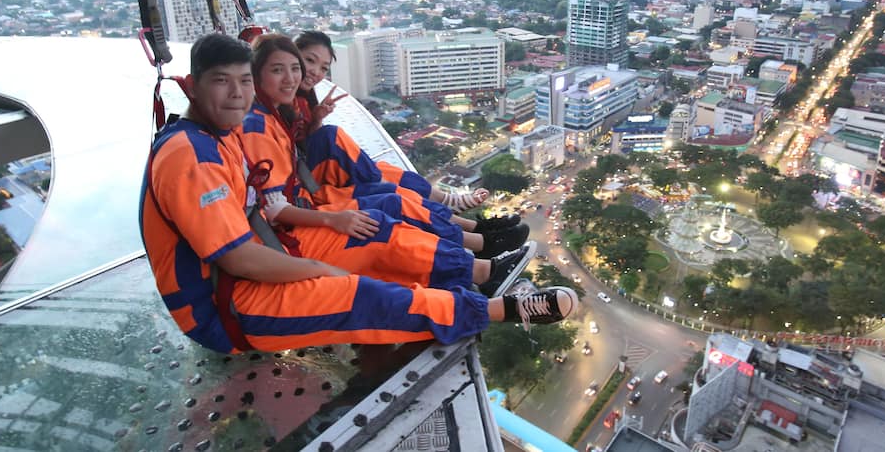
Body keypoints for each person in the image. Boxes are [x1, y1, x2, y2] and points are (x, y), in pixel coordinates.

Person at [140, 33, 578, 354]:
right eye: (222, 81)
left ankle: (479, 270)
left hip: (265, 255)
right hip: (229, 308)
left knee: (380, 228)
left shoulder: (218, 133)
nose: (237, 94)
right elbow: (237, 257)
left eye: (243, 81)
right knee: (361, 295)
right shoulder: (192, 156)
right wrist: (317, 269)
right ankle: (496, 310)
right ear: (190, 85)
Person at [237, 33, 526, 292]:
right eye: (279, 69)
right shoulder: (259, 125)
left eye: (297, 68)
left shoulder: (275, 111)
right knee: (385, 203)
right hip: (297, 218)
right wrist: (332, 217)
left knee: (389, 186)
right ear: (257, 74)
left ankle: (477, 240)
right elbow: (274, 209)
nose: (293, 77)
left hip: (302, 198)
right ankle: (479, 260)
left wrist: (316, 120)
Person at [291, 31, 501, 234]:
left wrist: (317, 117)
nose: (316, 72)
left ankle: (453, 207)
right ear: (292, 55)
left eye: (323, 68)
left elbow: (307, 140)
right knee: (336, 138)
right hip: (305, 179)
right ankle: (472, 231)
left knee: (396, 174)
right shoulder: (283, 98)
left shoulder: (302, 96)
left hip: (312, 168)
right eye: (310, 61)